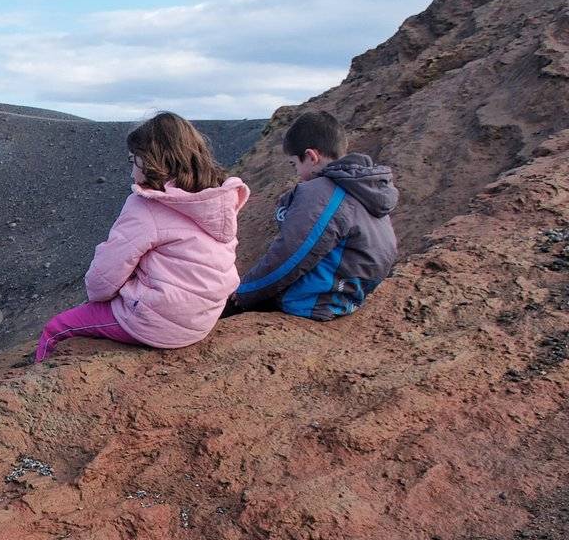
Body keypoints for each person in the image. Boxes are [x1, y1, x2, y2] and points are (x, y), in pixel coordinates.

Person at [36, 112, 250, 363]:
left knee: (55, 329)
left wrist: (96, 300)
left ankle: (32, 382)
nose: (131, 170)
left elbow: (103, 279)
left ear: (150, 161)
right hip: (202, 318)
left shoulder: (146, 205)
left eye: (133, 160)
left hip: (158, 323)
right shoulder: (216, 201)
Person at [230, 110, 397, 319]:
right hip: (349, 297)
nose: (297, 173)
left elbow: (290, 255)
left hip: (313, 301)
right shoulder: (365, 188)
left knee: (228, 305)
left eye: (295, 164)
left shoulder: (320, 192)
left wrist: (245, 291)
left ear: (311, 156)